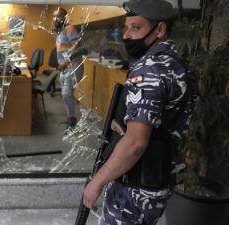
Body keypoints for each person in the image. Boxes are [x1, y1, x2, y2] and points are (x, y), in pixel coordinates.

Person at [82, 0, 198, 225]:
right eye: (127, 28)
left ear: (160, 29)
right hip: (157, 181)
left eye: (136, 27)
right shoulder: (179, 65)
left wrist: (97, 182)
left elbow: (136, 143)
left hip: (135, 187)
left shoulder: (149, 70)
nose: (128, 35)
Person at [53, 8, 84, 128]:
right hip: (65, 69)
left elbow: (77, 47)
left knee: (67, 94)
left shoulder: (70, 28)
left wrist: (65, 63)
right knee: (66, 95)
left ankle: (72, 121)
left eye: (59, 16)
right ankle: (70, 118)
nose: (56, 19)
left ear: (65, 17)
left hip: (73, 67)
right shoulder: (61, 32)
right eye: (54, 16)